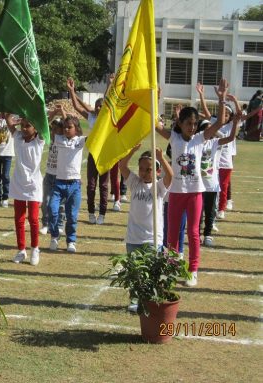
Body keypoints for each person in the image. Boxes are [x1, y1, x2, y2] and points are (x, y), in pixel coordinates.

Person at [155, 78, 228, 287]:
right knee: (171, 233)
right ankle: (169, 268)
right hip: (176, 193)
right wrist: (157, 98)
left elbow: (220, 123)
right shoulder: (174, 139)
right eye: (188, 123)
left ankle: (193, 270)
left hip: (195, 192)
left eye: (195, 124)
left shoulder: (200, 139)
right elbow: (155, 124)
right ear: (180, 123)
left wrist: (221, 99)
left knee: (193, 233)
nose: (192, 127)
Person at [119, 145, 173, 312]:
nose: (144, 172)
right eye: (141, 168)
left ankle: (149, 299)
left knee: (150, 272)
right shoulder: (135, 183)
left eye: (148, 169)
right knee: (135, 272)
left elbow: (170, 175)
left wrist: (161, 158)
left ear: (157, 171)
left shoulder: (158, 188)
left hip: (152, 238)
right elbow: (122, 166)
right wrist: (131, 151)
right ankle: (134, 300)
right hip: (134, 238)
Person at [67, 77, 111, 224]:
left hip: (105, 155)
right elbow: (77, 106)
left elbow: (108, 99)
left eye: (101, 106)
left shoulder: (107, 117)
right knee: (91, 185)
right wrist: (72, 91)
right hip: (93, 154)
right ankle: (91, 212)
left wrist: (110, 85)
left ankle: (103, 214)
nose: (99, 108)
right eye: (96, 106)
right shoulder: (91, 117)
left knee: (104, 186)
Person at [5, 114, 45, 266]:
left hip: (34, 185)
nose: (24, 128)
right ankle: (21, 249)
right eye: (23, 125)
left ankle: (35, 248)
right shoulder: (17, 138)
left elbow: (43, 122)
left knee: (33, 219)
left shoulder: (39, 141)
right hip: (18, 184)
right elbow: (9, 121)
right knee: (19, 219)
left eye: (28, 126)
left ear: (35, 128)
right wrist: (10, 111)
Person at [196, 112, 239, 247]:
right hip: (197, 185)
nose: (212, 130)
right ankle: (196, 235)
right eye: (208, 128)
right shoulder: (195, 142)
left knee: (210, 212)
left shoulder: (215, 142)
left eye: (212, 128)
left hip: (212, 185)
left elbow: (231, 137)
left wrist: (235, 123)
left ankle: (207, 234)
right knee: (197, 213)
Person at [49, 116, 86, 253]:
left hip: (74, 184)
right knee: (52, 210)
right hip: (59, 183)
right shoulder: (59, 139)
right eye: (65, 127)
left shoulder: (80, 141)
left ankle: (71, 241)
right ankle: (54, 236)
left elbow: (95, 135)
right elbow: (50, 128)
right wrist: (57, 113)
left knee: (72, 216)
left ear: (76, 129)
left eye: (69, 127)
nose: (66, 129)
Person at [40, 107, 66, 235]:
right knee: (45, 201)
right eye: (53, 129)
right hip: (49, 174)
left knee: (61, 203)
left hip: (61, 176)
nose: (54, 131)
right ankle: (45, 223)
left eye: (57, 129)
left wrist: (64, 114)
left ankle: (59, 224)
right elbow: (44, 124)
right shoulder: (50, 138)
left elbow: (70, 126)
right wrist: (54, 113)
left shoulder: (66, 140)